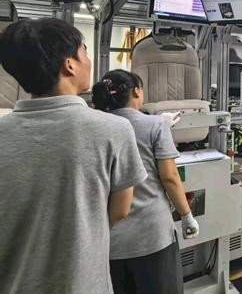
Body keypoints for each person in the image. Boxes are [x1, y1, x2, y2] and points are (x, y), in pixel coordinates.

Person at [0, 18, 147, 294]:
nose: (88, 61)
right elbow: (119, 210)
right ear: (70, 64)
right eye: (85, 52)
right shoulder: (113, 129)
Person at [92, 69, 200, 294]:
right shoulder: (155, 125)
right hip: (152, 236)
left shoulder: (95, 127)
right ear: (136, 91)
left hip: (110, 240)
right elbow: (169, 177)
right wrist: (187, 216)